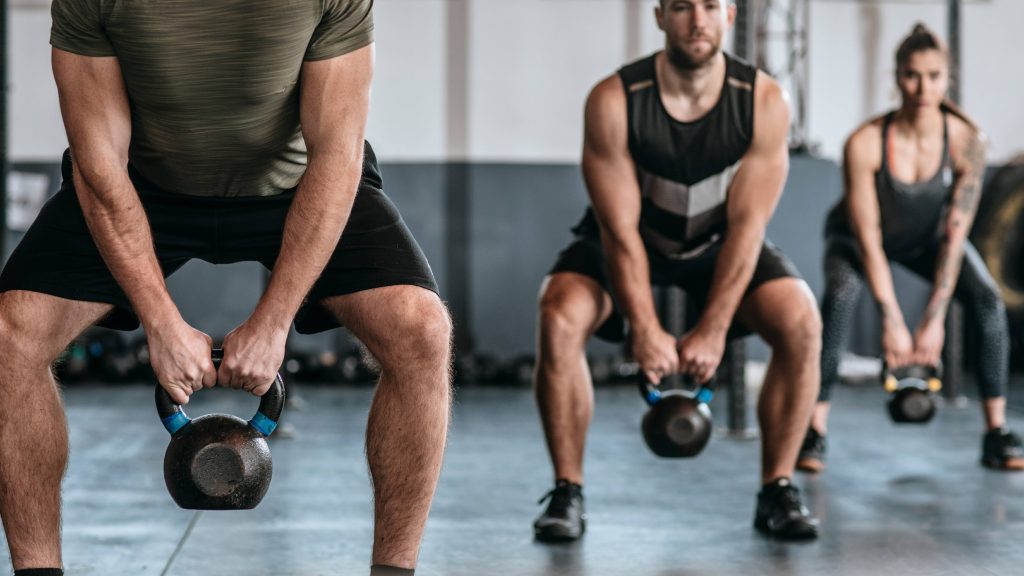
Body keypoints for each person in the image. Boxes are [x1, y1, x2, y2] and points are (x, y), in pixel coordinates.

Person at [0, 1, 452, 575]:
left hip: (298, 183)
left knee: (421, 330)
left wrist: (274, 322)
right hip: (142, 187)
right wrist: (160, 323)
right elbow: (100, 163)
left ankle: (395, 571)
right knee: (10, 335)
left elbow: (336, 157)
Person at [531, 0, 820, 543]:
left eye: (711, 5)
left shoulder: (763, 102)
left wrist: (712, 329)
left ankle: (777, 488)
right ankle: (567, 489)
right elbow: (618, 232)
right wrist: (643, 327)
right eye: (683, 6)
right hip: (631, 241)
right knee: (558, 314)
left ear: (731, 14)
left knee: (801, 319)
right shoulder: (615, 100)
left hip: (720, 245)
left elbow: (747, 229)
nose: (698, 19)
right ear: (661, 15)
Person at [796, 24, 1022, 474]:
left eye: (934, 76)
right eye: (912, 75)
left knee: (986, 300)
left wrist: (933, 322)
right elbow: (869, 236)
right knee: (840, 297)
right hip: (857, 240)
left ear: (947, 79)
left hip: (927, 241)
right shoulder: (864, 143)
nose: (923, 87)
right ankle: (814, 431)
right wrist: (894, 322)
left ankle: (996, 433)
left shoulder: (966, 143)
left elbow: (955, 237)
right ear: (897, 77)